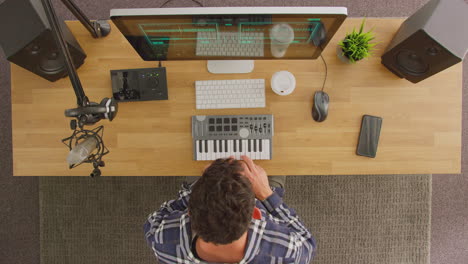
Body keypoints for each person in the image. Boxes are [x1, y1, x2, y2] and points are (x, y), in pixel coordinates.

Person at [144, 155, 316, 264]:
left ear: (190, 212)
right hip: (263, 196)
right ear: (256, 213)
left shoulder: (161, 239)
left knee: (193, 151)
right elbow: (307, 244)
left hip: (201, 193)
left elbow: (159, 215)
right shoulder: (286, 251)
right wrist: (265, 193)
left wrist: (207, 186)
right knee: (278, 147)